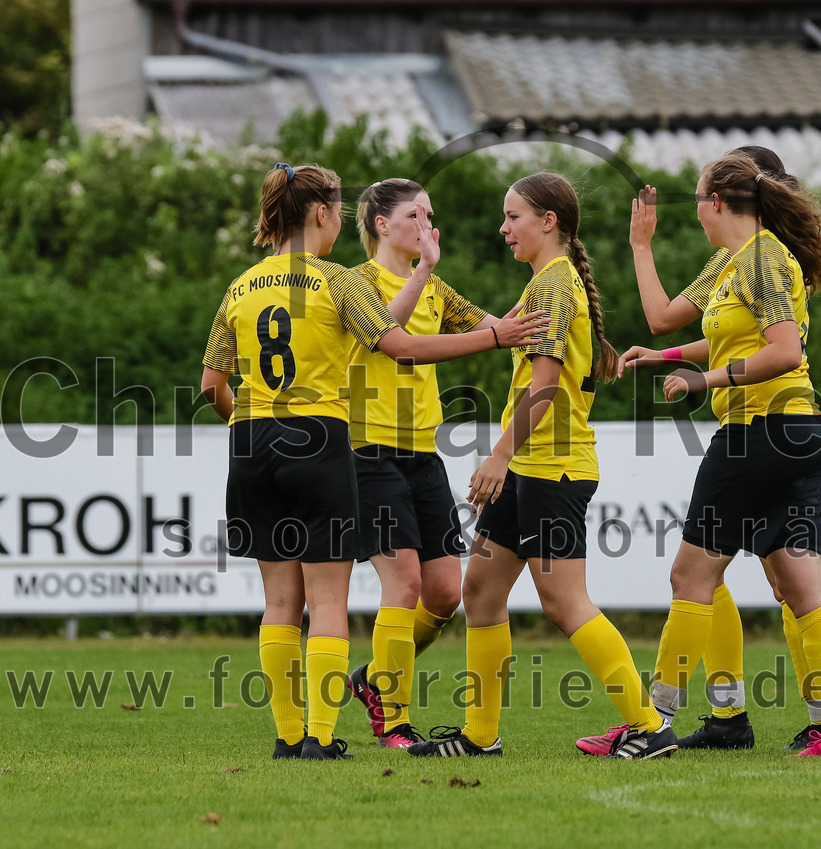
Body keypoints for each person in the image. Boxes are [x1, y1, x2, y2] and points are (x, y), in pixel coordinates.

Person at [200, 162, 547, 761]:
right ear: (323, 215)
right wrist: (497, 338)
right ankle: (332, 736)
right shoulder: (340, 281)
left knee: (283, 601)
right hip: (330, 441)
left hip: (256, 441)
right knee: (331, 600)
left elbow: (211, 384)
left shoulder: (239, 286)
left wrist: (246, 423)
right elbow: (395, 340)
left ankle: (289, 738)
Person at [408, 172, 678, 760]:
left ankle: (651, 725)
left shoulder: (556, 286)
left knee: (564, 601)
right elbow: (490, 330)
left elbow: (548, 386)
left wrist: (500, 454)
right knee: (480, 591)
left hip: (550, 469)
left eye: (514, 217)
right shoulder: (547, 284)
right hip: (530, 468)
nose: (503, 229)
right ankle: (480, 736)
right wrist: (420, 276)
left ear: (548, 221)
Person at [611, 153, 821, 757]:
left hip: (763, 431)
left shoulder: (765, 257)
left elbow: (784, 351)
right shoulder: (733, 262)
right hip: (790, 432)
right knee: (800, 583)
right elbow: (668, 319)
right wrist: (667, 353)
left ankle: (655, 724)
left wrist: (707, 381)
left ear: (716, 202)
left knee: (691, 576)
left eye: (698, 199)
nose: (695, 210)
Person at [343, 178, 528, 749]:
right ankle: (394, 720)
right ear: (382, 224)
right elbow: (392, 339)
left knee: (445, 592)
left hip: (421, 452)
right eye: (416, 214)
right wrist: (424, 271)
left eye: (430, 212)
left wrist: (554, 278)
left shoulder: (438, 290)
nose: (428, 222)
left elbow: (495, 323)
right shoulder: (353, 284)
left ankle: (375, 680)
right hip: (367, 451)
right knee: (402, 585)